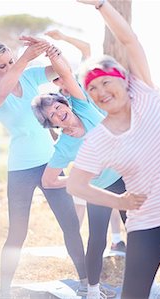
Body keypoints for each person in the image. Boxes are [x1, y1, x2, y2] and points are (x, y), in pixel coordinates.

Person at [67, 1, 160, 298]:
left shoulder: (147, 94)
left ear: (124, 81)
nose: (100, 92)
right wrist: (119, 202)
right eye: (93, 89)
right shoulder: (99, 138)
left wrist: (100, 5)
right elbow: (76, 184)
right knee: (134, 294)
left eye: (105, 82)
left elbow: (129, 40)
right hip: (149, 220)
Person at [0, 40, 87, 297]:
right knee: (18, 232)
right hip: (20, 169)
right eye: (2, 65)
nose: (8, 68)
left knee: (71, 224)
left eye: (10, 62)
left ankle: (86, 284)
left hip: (51, 162)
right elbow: (6, 87)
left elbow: (61, 71)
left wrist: (53, 51)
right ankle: (3, 290)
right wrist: (25, 59)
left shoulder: (28, 76)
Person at [30, 38, 126, 298]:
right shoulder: (63, 147)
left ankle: (137, 283)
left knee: (140, 232)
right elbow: (49, 181)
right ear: (51, 123)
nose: (58, 112)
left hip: (125, 177)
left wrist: (53, 53)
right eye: (52, 115)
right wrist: (75, 179)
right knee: (97, 240)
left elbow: (65, 74)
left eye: (58, 106)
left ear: (64, 103)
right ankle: (92, 291)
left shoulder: (82, 105)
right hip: (99, 189)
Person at [45, 29, 126, 252]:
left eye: (62, 78)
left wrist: (62, 36)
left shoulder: (82, 84)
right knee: (86, 207)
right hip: (89, 154)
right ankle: (76, 253)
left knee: (117, 198)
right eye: (57, 83)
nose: (62, 83)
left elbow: (86, 48)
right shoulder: (67, 104)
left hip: (109, 144)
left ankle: (117, 239)